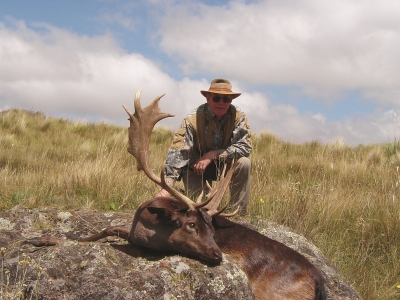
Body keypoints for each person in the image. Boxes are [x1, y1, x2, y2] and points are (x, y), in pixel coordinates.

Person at [157, 78, 252, 214]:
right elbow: (178, 153)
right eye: (216, 98)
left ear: (231, 100)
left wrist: (213, 155)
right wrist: (166, 188)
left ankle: (238, 214)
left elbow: (245, 147)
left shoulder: (238, 117)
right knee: (199, 210)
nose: (221, 103)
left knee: (244, 163)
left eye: (226, 100)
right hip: (196, 169)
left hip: (224, 167)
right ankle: (182, 195)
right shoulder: (192, 119)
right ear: (208, 98)